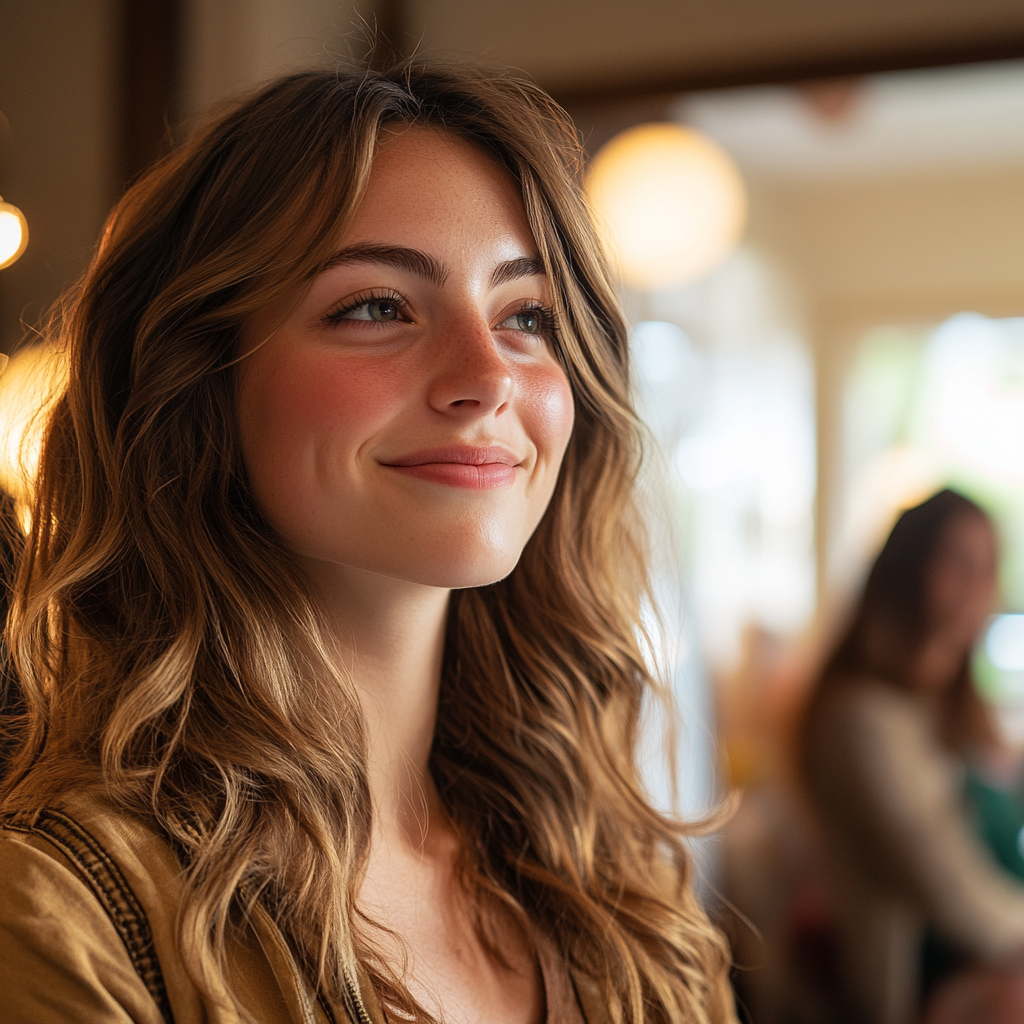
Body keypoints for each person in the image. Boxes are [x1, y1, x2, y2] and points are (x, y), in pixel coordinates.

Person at [0, 60, 736, 1024]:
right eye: (377, 307)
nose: (487, 378)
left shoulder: (621, 890)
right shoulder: (65, 914)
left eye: (527, 316)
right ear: (199, 386)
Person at [802, 489, 1024, 1024]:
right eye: (958, 562)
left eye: (988, 566)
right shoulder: (859, 719)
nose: (978, 585)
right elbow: (946, 884)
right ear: (909, 568)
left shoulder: (957, 713)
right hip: (926, 986)